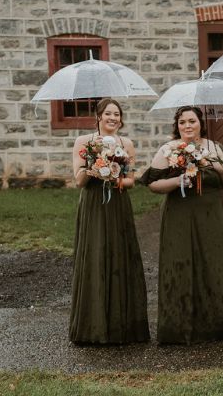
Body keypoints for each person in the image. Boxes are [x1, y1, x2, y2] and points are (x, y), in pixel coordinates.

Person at [141, 106, 223, 344]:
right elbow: (152, 184)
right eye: (182, 122)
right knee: (180, 262)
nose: (187, 126)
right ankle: (180, 329)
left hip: (210, 214)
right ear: (176, 125)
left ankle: (222, 325)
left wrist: (216, 165)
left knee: (216, 262)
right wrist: (177, 180)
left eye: (192, 121)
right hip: (178, 214)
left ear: (201, 123)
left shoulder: (214, 147)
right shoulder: (168, 149)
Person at [69, 98, 149, 344]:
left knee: (118, 253)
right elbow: (79, 180)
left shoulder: (127, 144)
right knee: (95, 254)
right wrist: (93, 169)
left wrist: (115, 179)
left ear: (121, 118)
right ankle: (92, 324)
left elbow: (131, 181)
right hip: (93, 203)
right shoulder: (84, 142)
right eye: (108, 114)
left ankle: (122, 326)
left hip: (118, 203)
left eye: (117, 114)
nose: (113, 118)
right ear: (99, 116)